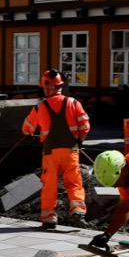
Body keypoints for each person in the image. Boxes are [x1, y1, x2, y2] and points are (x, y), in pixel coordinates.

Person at [20, 69, 90, 229]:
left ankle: (49, 217)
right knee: (74, 182)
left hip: (50, 152)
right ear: (60, 86)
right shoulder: (73, 103)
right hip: (71, 151)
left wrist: (30, 132)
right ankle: (78, 211)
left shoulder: (40, 107)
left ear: (47, 88)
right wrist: (79, 141)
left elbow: (27, 128)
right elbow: (85, 126)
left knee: (49, 184)